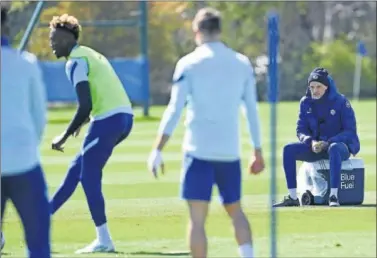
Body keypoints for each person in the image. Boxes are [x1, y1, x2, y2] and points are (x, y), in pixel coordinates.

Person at [147, 7, 265, 258]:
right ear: (220, 30)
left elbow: (174, 109)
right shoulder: (241, 63)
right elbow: (251, 111)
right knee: (236, 212)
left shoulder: (188, 63)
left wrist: (157, 149)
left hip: (198, 151)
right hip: (228, 152)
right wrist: (257, 150)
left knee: (197, 220)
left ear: (196, 31)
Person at [48, 14, 134, 253]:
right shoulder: (89, 52)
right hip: (123, 117)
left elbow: (85, 105)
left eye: (54, 38)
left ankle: (104, 240)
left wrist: (63, 136)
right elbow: (94, 98)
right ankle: (41, 220)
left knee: (88, 176)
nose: (51, 43)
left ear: (67, 39)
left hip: (109, 119)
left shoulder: (75, 61)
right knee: (76, 171)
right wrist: (82, 122)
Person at [1, 4, 50, 258]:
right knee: (38, 245)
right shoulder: (26, 64)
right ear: (6, 26)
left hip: (21, 160)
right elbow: (39, 118)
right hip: (24, 163)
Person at [273, 67, 360, 207]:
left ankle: (333, 196)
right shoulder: (305, 102)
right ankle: (293, 197)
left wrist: (329, 142)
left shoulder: (341, 102)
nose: (315, 90)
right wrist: (310, 141)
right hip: (316, 148)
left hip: (338, 148)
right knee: (288, 149)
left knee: (334, 148)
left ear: (326, 87)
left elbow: (350, 131)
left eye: (318, 86)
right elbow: (300, 129)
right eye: (312, 87)